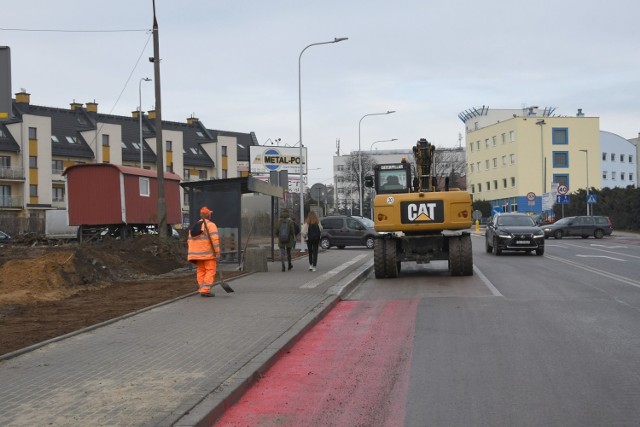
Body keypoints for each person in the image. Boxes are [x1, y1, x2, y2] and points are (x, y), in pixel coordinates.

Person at [187, 206, 220, 297]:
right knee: (210, 270)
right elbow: (215, 241)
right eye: (210, 214)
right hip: (208, 254)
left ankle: (202, 288)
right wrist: (217, 253)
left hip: (197, 255)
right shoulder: (211, 225)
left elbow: (189, 241)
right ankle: (205, 290)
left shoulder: (194, 226)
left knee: (201, 270)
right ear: (208, 215)